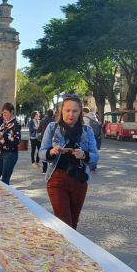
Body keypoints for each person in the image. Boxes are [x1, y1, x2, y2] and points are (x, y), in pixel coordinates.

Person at [41, 94, 99, 228]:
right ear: (62, 111)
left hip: (79, 179)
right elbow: (41, 153)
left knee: (73, 223)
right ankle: (65, 247)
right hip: (57, 178)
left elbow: (95, 156)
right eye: (67, 110)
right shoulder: (52, 127)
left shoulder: (87, 130)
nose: (71, 114)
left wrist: (83, 155)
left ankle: (69, 248)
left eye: (75, 111)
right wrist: (51, 152)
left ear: (80, 112)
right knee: (64, 223)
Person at [0, 102, 22, 184]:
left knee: (4, 180)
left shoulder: (16, 124)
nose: (4, 115)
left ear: (12, 112)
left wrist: (3, 135)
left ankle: (4, 195)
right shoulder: (4, 124)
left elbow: (17, 140)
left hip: (10, 154)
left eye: (6, 113)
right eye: (3, 113)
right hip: (0, 153)